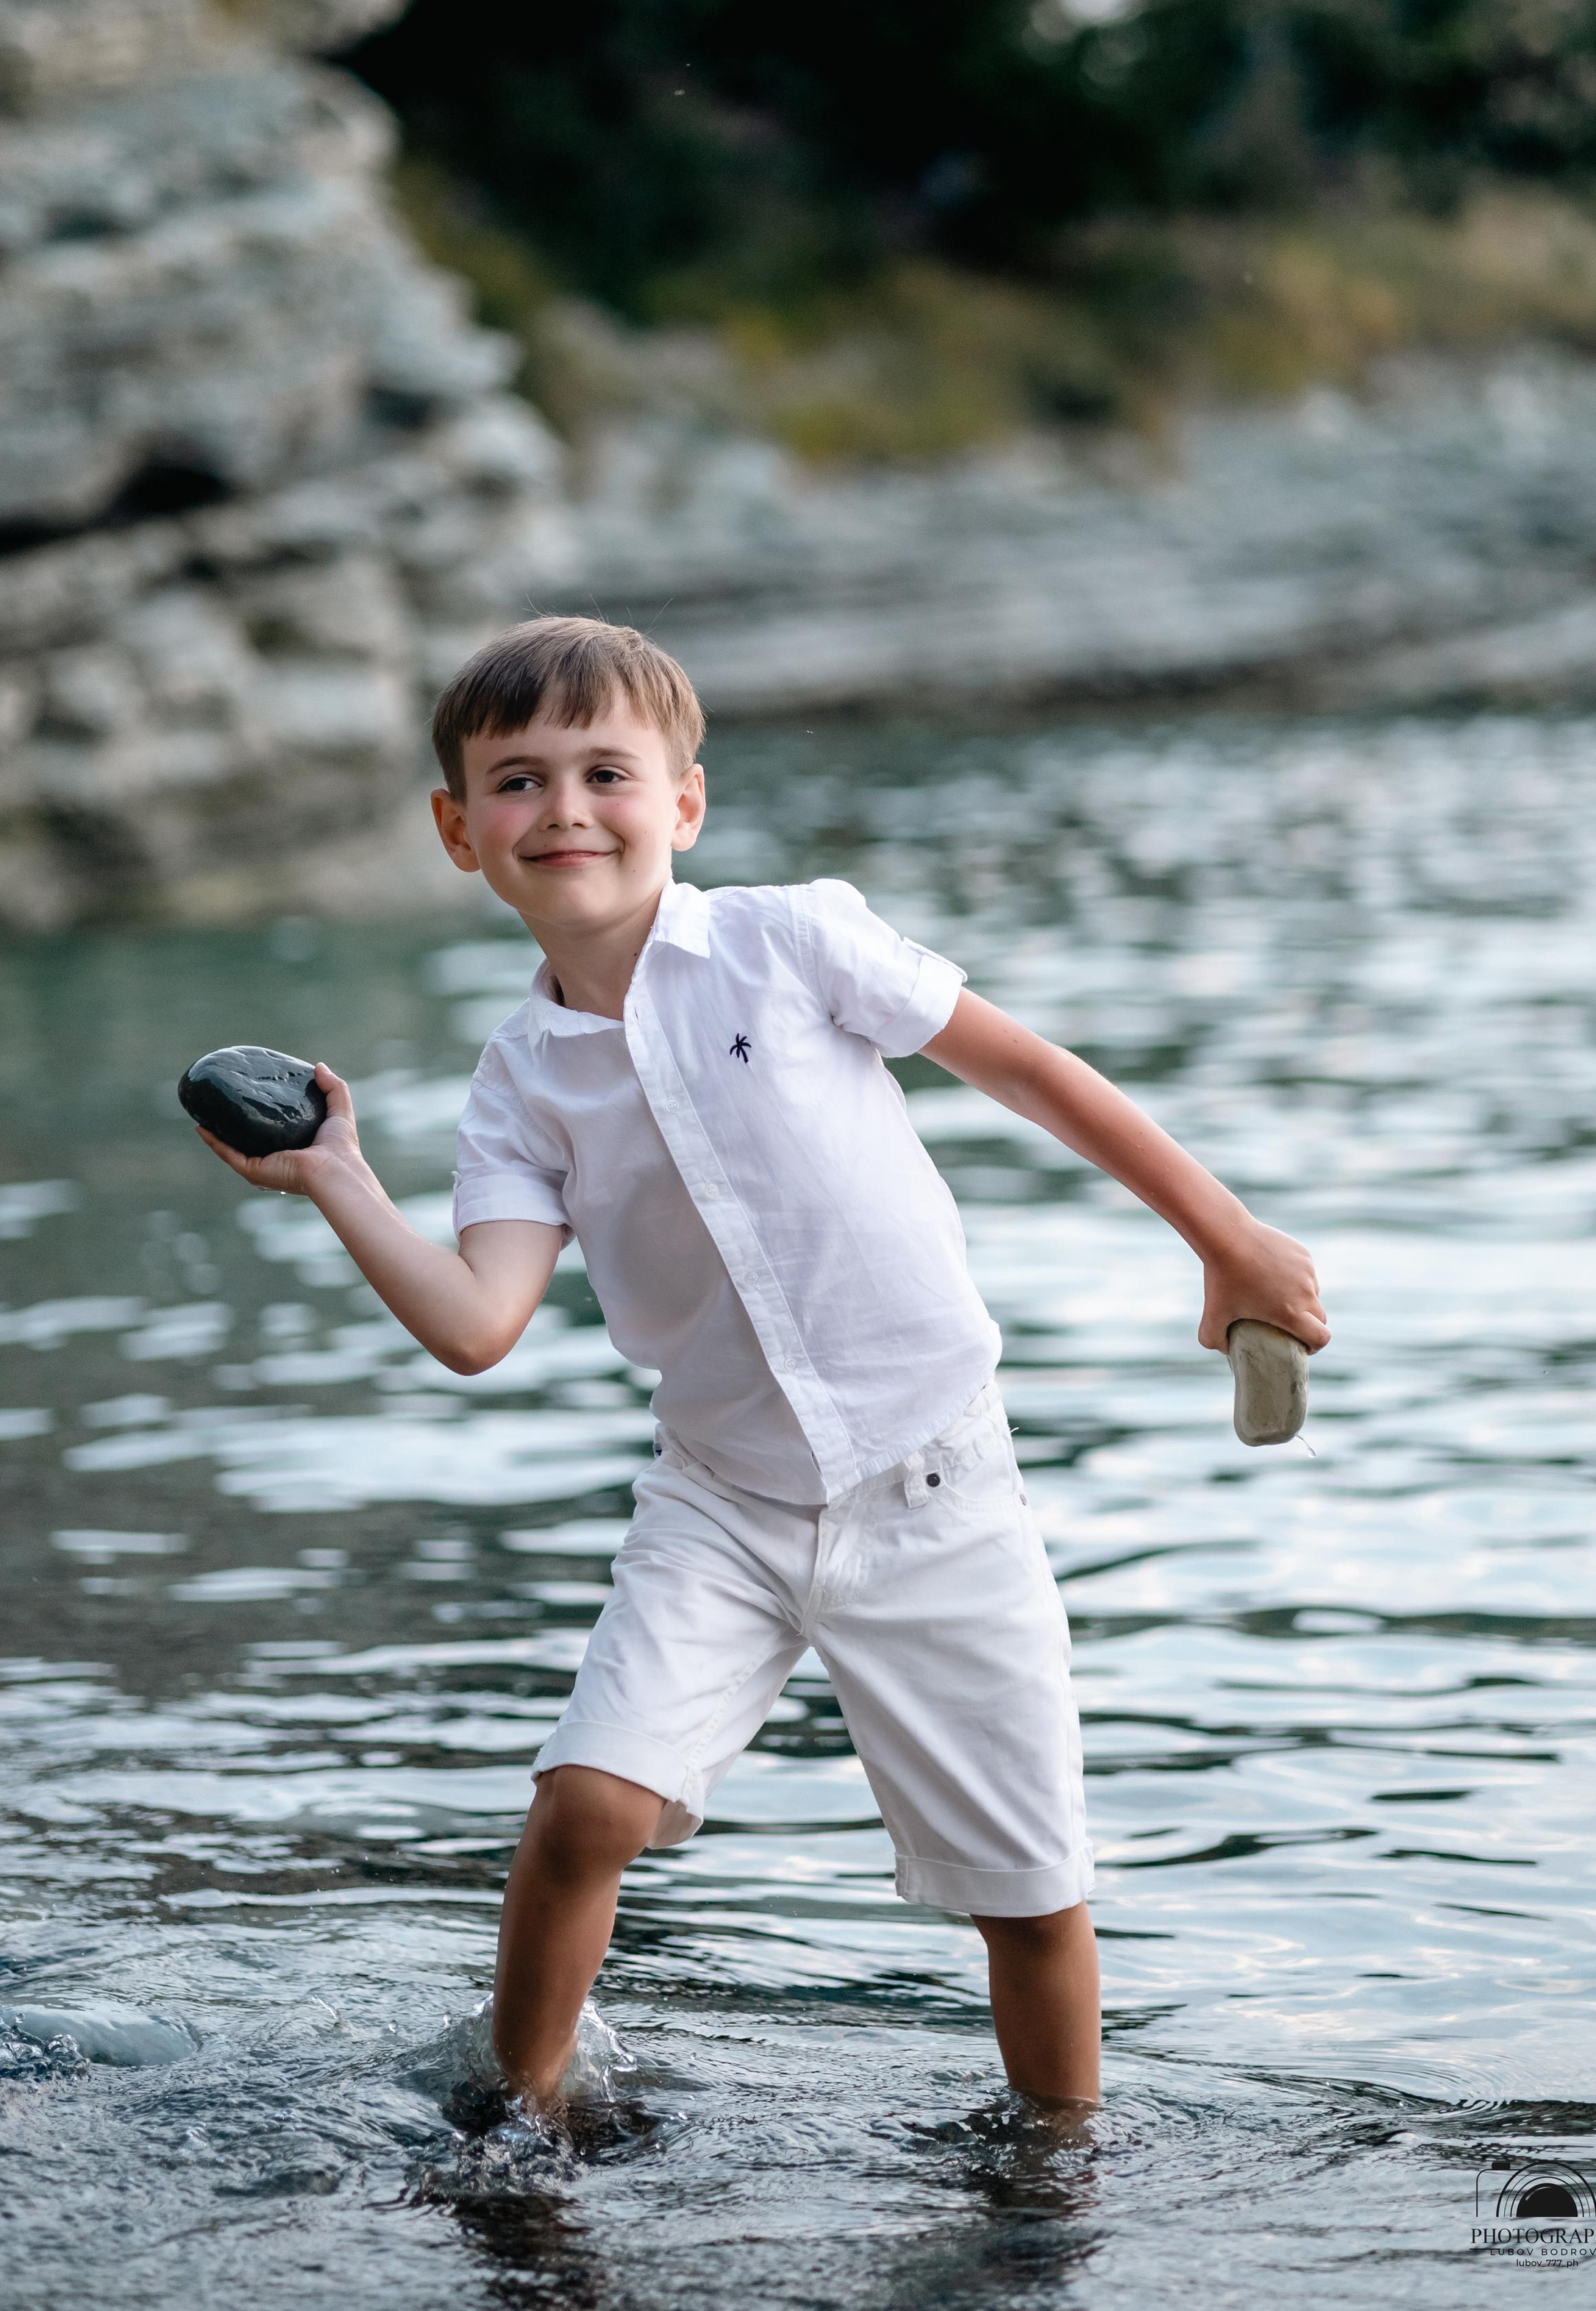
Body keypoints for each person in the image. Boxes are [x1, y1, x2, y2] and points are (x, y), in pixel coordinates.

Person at [193, 615, 1328, 2112]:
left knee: (1030, 1893)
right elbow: (477, 1325)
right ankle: (516, 2118)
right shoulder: (517, 1086)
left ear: (683, 802)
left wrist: (1223, 1237)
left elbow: (1026, 1071)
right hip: (719, 1503)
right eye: (518, 783)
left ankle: (1059, 2167)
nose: (566, 810)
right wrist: (340, 1178)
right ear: (456, 831)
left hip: (936, 1490)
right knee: (582, 1807)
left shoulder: (787, 941)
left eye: (606, 770)